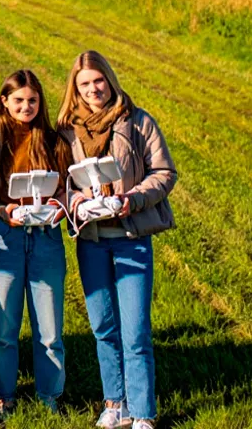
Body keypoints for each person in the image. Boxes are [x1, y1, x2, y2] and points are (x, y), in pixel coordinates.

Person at [58, 50, 178, 429]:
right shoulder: (66, 130)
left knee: (136, 330)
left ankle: (143, 413)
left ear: (109, 79)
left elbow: (164, 172)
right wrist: (72, 199)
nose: (93, 89)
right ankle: (116, 404)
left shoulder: (138, 122)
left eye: (98, 80)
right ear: (74, 90)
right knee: (103, 327)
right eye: (84, 84)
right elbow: (56, 181)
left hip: (131, 239)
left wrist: (134, 199)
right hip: (91, 241)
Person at [0, 69, 71, 421]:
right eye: (18, 100)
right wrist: (3, 209)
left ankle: (49, 395)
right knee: (3, 327)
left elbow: (67, 189)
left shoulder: (55, 143)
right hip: (7, 235)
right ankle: (4, 396)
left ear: (40, 102)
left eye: (32, 100)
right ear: (5, 102)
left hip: (45, 238)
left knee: (49, 327)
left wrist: (59, 206)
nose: (26, 106)